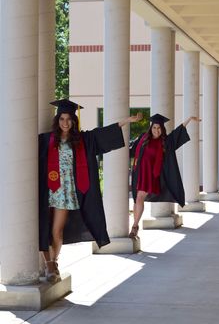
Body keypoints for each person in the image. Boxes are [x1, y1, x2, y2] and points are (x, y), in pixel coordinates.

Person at [39, 98, 142, 283]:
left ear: (73, 121)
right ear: (57, 120)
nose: (65, 123)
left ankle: (54, 262)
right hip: (46, 191)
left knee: (57, 231)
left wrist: (127, 120)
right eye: (62, 119)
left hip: (66, 193)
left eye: (69, 119)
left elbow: (102, 134)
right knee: (42, 228)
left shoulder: (82, 140)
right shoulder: (46, 140)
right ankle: (49, 266)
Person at [129, 113, 201, 238]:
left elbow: (177, 133)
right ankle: (135, 226)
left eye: (159, 128)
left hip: (150, 176)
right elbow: (131, 149)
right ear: (151, 128)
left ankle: (134, 227)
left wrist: (188, 119)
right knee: (136, 200)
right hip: (139, 173)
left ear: (162, 129)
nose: (156, 130)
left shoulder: (165, 142)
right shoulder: (143, 138)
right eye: (154, 128)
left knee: (139, 198)